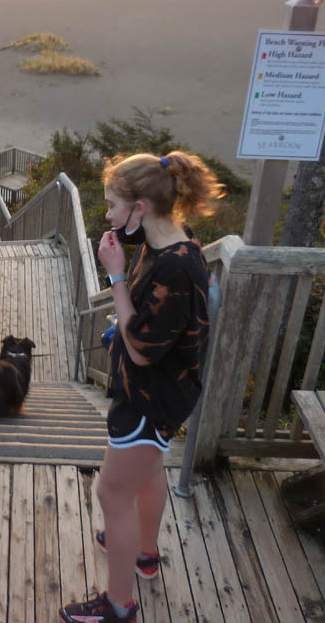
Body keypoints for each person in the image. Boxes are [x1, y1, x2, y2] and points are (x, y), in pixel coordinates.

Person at [60, 151, 223, 623]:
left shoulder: (173, 267)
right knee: (149, 473)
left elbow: (139, 351)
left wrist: (114, 274)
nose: (108, 216)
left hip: (151, 399)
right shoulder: (176, 244)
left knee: (112, 495)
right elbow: (148, 326)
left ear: (141, 209)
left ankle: (118, 606)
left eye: (113, 205)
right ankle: (144, 554)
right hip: (168, 393)